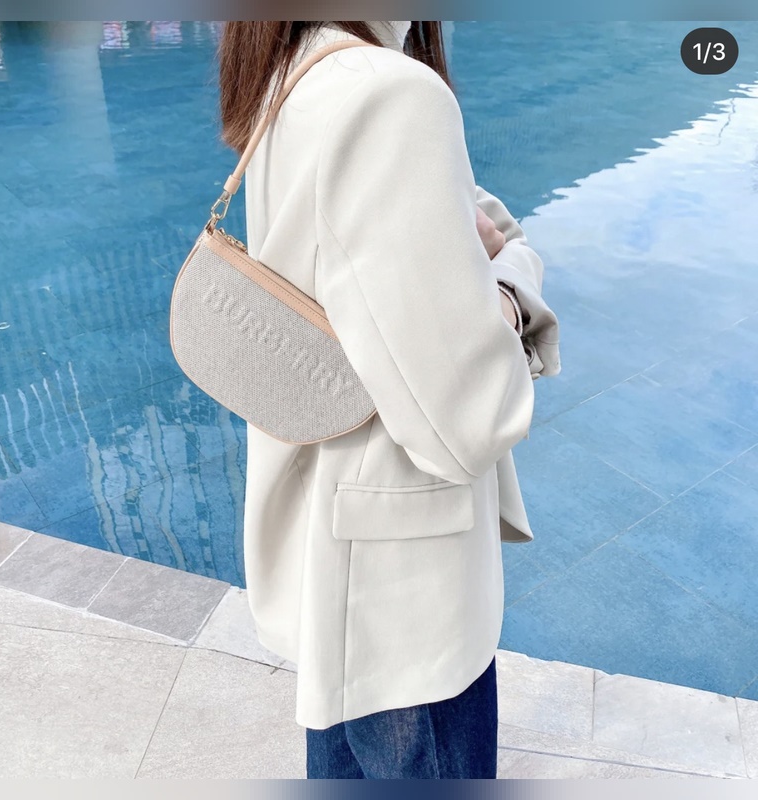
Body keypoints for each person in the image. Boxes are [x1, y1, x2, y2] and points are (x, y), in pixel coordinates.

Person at [217, 21, 561, 779]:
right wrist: (515, 284)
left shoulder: (297, 64)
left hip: (338, 544)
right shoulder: (390, 94)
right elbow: (468, 416)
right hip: (406, 577)